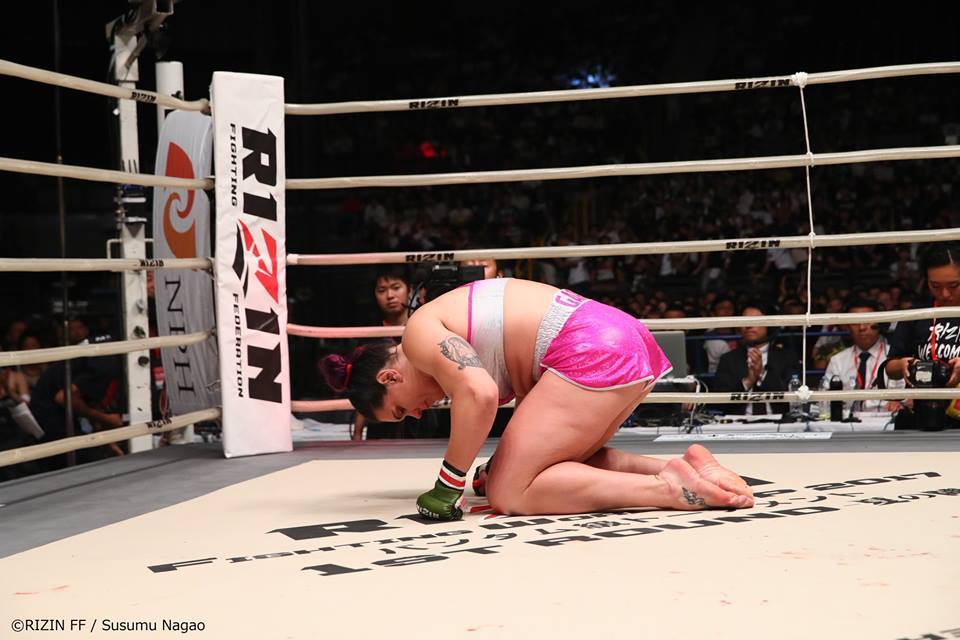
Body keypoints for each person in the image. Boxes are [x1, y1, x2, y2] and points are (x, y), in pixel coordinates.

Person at [321, 278, 754, 520]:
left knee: (511, 493)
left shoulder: (417, 334)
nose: (417, 414)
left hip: (591, 347)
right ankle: (687, 469)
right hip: (617, 339)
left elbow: (480, 394)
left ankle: (669, 490)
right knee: (547, 468)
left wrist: (448, 484)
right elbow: (529, 411)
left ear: (390, 376)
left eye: (401, 408)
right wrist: (497, 464)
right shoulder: (455, 338)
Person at [350, 266, 439, 440]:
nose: (390, 295)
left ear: (409, 289)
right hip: (385, 425)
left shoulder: (427, 325)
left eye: (396, 287)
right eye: (382, 290)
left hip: (427, 416)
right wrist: (358, 432)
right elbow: (366, 388)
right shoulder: (370, 335)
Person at [884, 244, 960, 428]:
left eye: (954, 285)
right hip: (923, 413)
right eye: (935, 286)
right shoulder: (918, 313)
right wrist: (903, 365)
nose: (945, 294)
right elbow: (890, 367)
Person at [712, 302, 801, 415]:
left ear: (768, 325)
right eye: (744, 321)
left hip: (779, 420)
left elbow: (793, 395)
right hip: (739, 422)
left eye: (755, 321)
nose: (748, 326)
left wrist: (762, 374)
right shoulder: (728, 359)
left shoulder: (786, 357)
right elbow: (720, 400)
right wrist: (748, 381)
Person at [822, 299, 903, 414]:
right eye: (855, 322)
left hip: (886, 418)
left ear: (879, 324)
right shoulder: (838, 361)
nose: (861, 327)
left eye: (867, 321)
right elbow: (825, 398)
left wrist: (901, 402)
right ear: (848, 327)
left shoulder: (896, 356)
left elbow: (909, 396)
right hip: (847, 420)